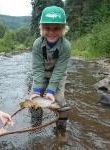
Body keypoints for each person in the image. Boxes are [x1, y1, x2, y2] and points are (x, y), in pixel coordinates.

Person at [29, 6, 71, 139]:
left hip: (58, 75)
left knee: (59, 101)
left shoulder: (66, 46)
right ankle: (36, 125)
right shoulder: (37, 44)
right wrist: (37, 91)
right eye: (47, 28)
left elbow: (59, 71)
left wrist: (50, 92)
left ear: (63, 29)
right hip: (40, 74)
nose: (51, 32)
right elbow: (37, 69)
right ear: (42, 29)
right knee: (33, 101)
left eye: (56, 28)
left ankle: (61, 128)